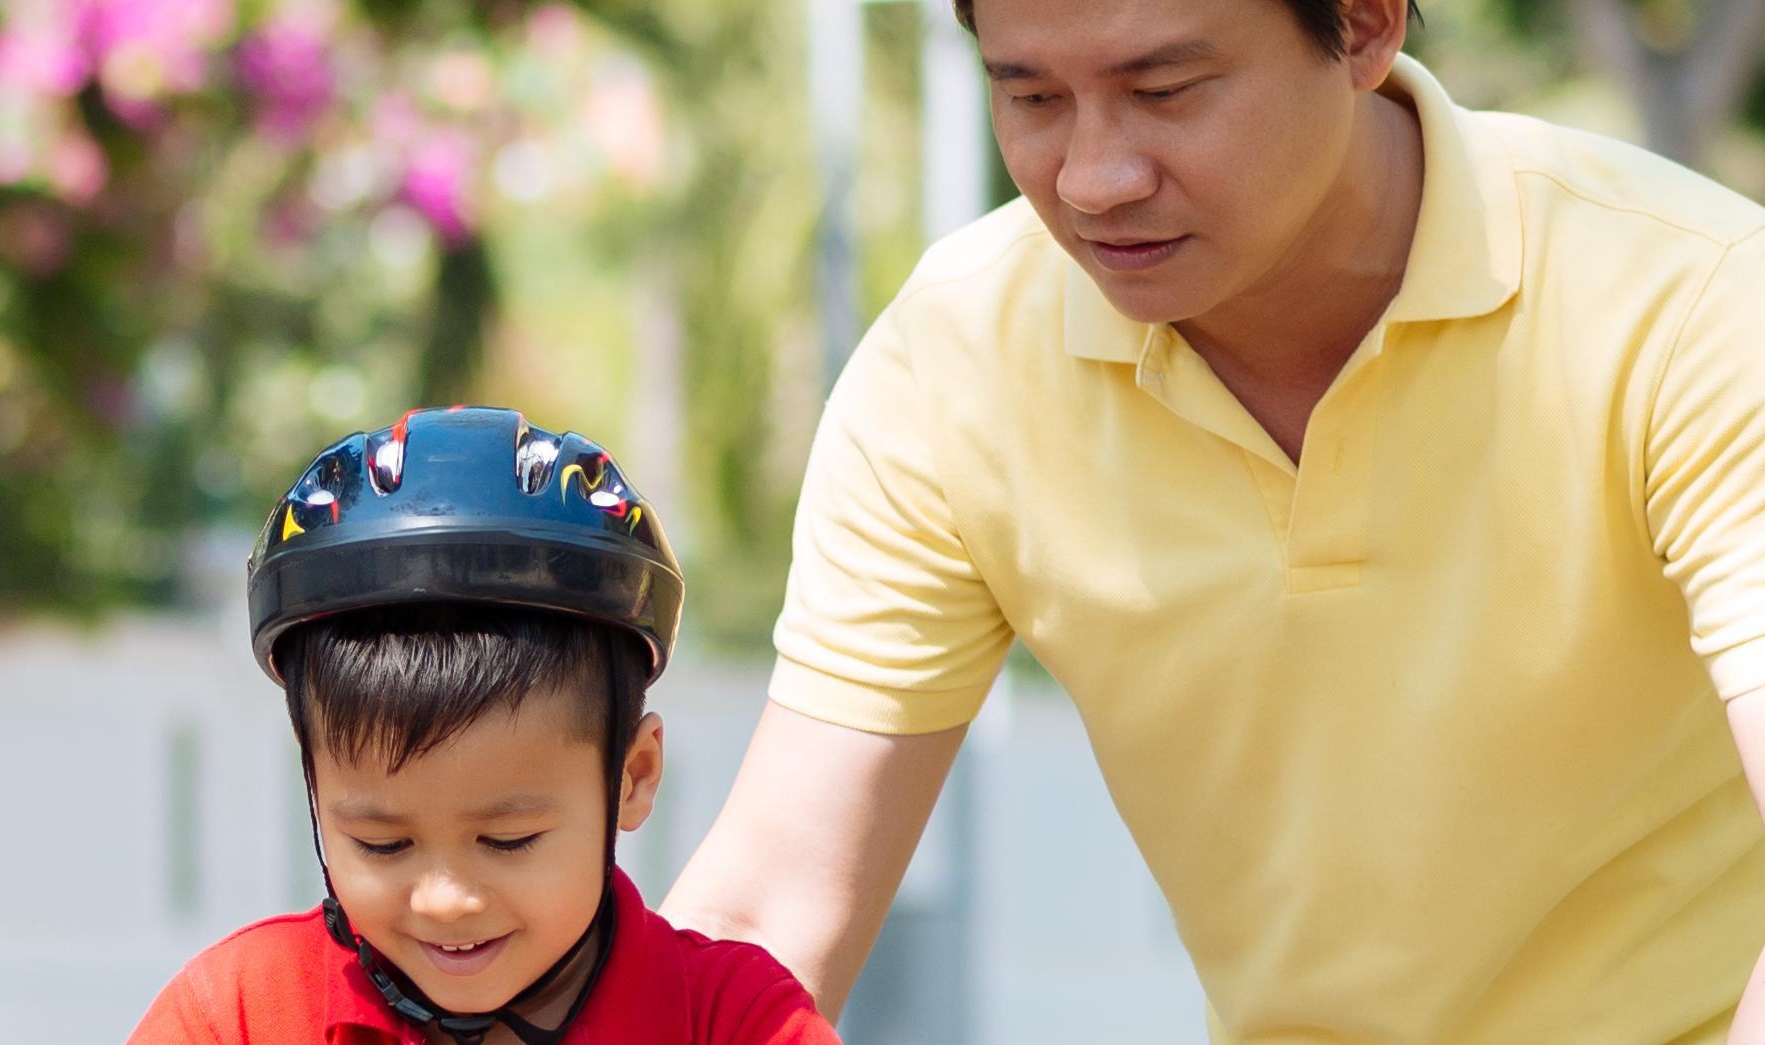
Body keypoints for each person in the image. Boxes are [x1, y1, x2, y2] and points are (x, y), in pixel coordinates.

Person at [656, 0, 1765, 1039]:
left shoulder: (1693, 307)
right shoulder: (957, 363)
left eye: (1167, 90)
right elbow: (768, 914)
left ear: (1367, 24)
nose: (1092, 178)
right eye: (1032, 98)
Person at [130, 406, 840, 1044]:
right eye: (382, 843)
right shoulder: (236, 1020)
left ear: (633, 774)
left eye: (509, 839)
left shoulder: (738, 1023)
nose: (446, 899)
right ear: (312, 777)